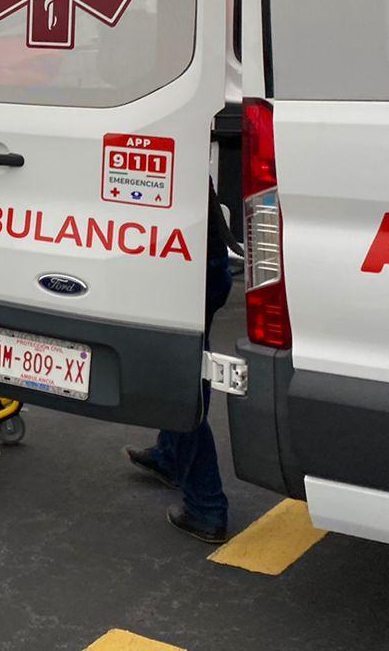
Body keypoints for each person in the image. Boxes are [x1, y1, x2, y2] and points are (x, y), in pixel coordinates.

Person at [124, 183, 237, 543]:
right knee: (185, 369)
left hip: (185, 265)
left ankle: (206, 508)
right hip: (196, 260)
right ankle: (170, 457)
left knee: (177, 383)